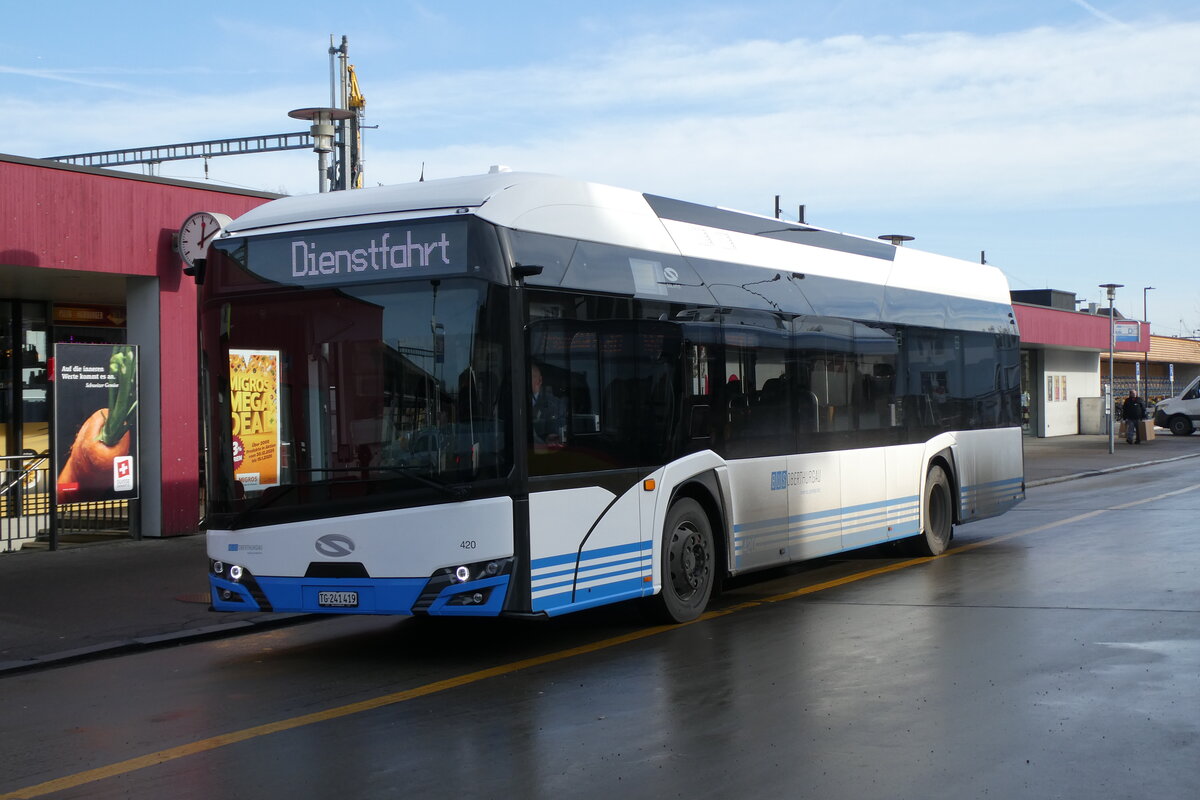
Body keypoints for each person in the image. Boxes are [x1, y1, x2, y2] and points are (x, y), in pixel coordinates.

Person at [530, 363, 564, 446]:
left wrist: (546, 438)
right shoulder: (513, 401)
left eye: (530, 377)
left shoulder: (554, 404)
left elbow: (553, 436)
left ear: (540, 380)